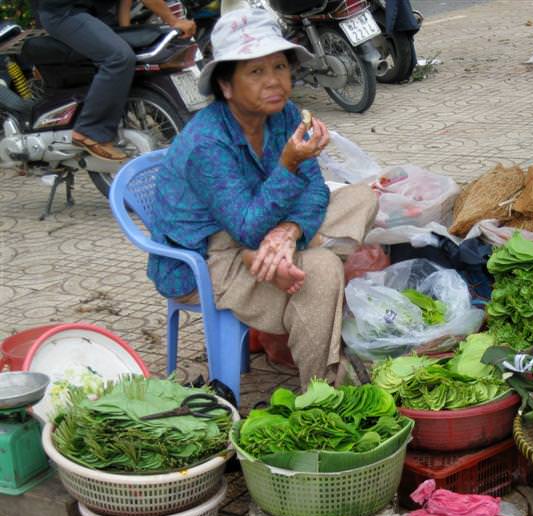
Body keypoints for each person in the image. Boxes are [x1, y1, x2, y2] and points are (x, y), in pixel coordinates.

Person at [148, 7, 378, 387]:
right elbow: (247, 224)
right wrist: (287, 165)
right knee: (321, 269)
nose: (274, 81)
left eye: (280, 68)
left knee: (361, 198)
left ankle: (281, 254)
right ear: (226, 85)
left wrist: (287, 232)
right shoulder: (206, 143)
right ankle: (320, 392)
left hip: (263, 223)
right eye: (256, 72)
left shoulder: (285, 114)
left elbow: (314, 188)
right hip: (205, 255)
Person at [36, 0, 196, 161]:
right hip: (65, 12)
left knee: (130, 53)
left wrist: (125, 32)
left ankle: (111, 120)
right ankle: (88, 132)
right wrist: (174, 21)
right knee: (118, 58)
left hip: (95, 13)